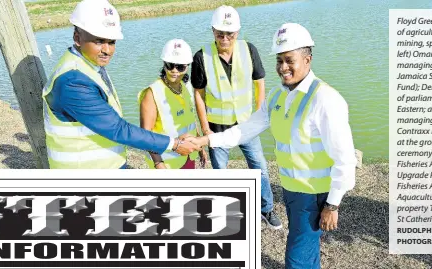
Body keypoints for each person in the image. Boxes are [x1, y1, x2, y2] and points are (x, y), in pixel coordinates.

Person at [190, 23, 357, 268]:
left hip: (314, 195)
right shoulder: (278, 96)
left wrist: (332, 204)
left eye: (289, 60)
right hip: (292, 191)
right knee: (306, 251)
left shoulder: (325, 99)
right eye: (279, 61)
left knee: (296, 259)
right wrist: (207, 139)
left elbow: (345, 159)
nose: (283, 68)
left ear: (307, 59)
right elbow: (246, 129)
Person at [41, 0, 200, 169]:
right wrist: (173, 144)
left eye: (111, 42)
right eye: (98, 41)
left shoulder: (90, 66)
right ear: (77, 38)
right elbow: (118, 129)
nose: (107, 50)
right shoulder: (72, 81)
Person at [191, 5, 281, 228]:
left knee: (259, 167)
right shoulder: (201, 56)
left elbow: (260, 84)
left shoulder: (249, 50)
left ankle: (266, 209)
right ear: (213, 31)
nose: (224, 38)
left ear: (237, 32)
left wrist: (257, 120)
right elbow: (198, 95)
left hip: (245, 126)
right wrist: (205, 129)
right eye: (220, 33)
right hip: (216, 127)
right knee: (221, 173)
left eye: (229, 33)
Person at [138, 39, 207, 169]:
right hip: (167, 163)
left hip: (188, 156)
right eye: (170, 65)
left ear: (187, 66)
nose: (174, 70)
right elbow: (145, 135)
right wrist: (159, 163)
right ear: (164, 64)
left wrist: (201, 147)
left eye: (180, 67)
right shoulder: (152, 93)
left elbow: (190, 120)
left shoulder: (184, 87)